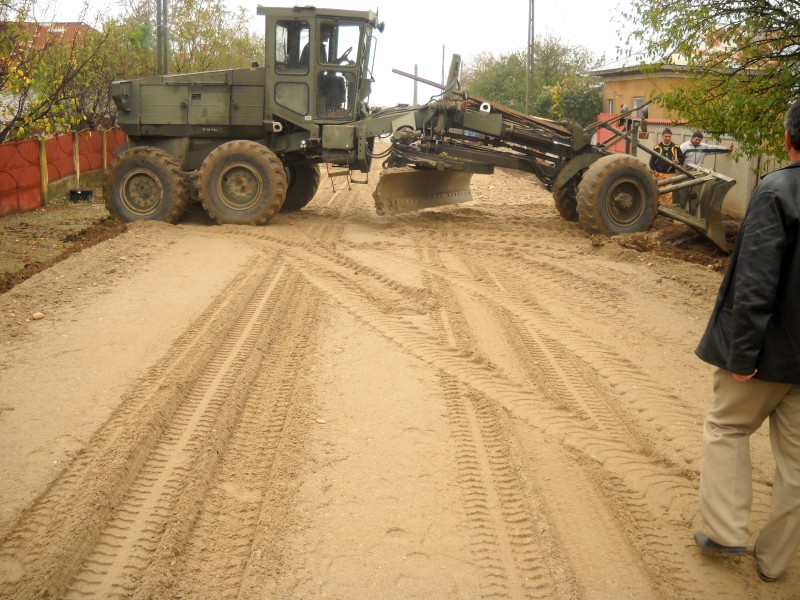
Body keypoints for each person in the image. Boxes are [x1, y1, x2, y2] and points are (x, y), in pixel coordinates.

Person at [693, 97, 800, 583]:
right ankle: (775, 561)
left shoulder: (777, 191)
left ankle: (725, 531)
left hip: (768, 353)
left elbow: (755, 281)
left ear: (787, 138)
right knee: (797, 467)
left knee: (727, 427)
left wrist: (742, 353)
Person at [649, 128, 684, 204]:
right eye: (666, 136)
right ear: (662, 136)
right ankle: (659, 209)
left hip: (671, 175)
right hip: (659, 175)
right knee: (659, 194)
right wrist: (654, 171)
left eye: (669, 136)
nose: (667, 138)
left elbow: (682, 158)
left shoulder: (676, 147)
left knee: (670, 195)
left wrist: (678, 161)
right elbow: (651, 161)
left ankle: (668, 209)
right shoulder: (657, 148)